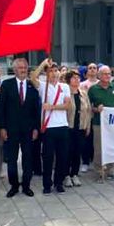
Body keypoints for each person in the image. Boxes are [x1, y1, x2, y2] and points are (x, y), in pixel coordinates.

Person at [0, 58, 40, 197]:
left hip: (28, 130)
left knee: (28, 159)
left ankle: (26, 186)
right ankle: (14, 186)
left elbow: (36, 110)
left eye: (25, 67)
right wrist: (2, 128)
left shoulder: (32, 85)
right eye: (20, 67)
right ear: (14, 70)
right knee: (12, 159)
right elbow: (1, 108)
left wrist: (35, 128)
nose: (23, 70)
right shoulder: (6, 85)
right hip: (11, 130)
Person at [31, 59, 72, 194]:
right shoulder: (43, 86)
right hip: (48, 127)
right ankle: (47, 184)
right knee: (48, 157)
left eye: (56, 70)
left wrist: (52, 107)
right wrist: (43, 64)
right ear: (46, 74)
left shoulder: (64, 87)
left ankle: (58, 182)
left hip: (62, 126)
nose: (54, 73)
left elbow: (67, 106)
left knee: (62, 156)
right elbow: (32, 77)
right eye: (50, 71)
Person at [88, 65, 114, 183]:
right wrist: (97, 109)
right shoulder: (93, 89)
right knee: (99, 148)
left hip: (113, 124)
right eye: (105, 74)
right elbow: (89, 107)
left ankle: (112, 170)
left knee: (113, 146)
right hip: (99, 123)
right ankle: (99, 172)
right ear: (99, 76)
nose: (107, 76)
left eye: (109, 74)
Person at [65, 70, 90, 188]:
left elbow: (88, 110)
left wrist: (87, 126)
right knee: (68, 152)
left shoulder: (83, 93)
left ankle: (75, 174)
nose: (76, 80)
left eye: (78, 78)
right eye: (74, 78)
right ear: (68, 80)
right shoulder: (65, 92)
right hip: (68, 127)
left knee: (77, 152)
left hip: (81, 127)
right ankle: (66, 175)